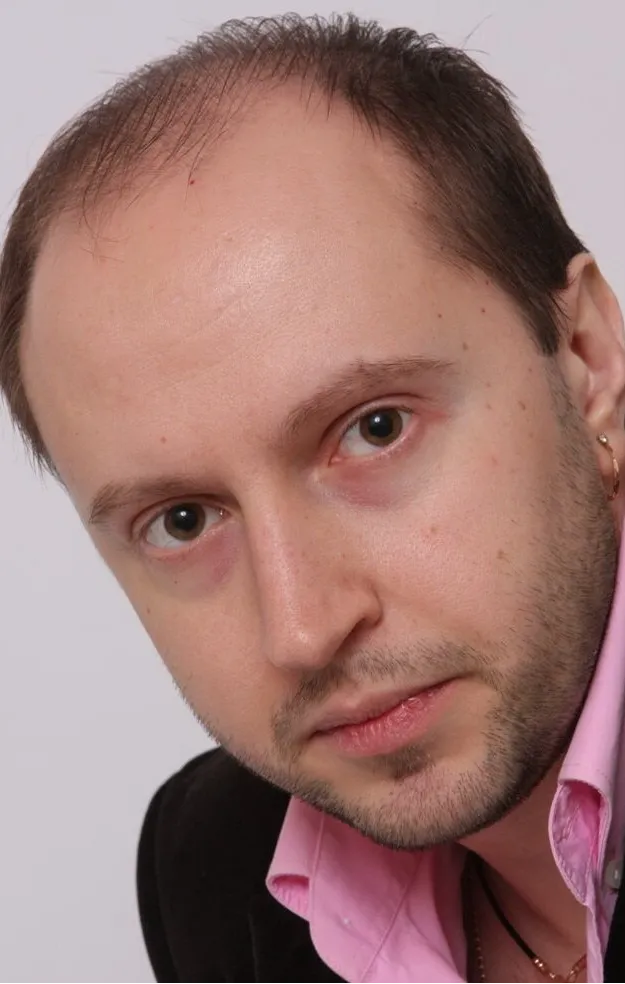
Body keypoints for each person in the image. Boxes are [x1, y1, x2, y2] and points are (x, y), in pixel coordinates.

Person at [0, 11, 624, 982]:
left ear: (586, 361)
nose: (302, 628)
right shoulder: (212, 860)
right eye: (181, 521)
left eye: (373, 429)